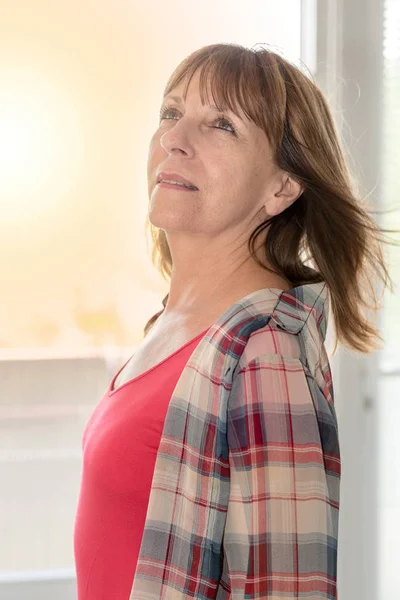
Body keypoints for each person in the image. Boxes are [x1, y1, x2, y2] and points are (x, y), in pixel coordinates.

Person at [74, 43, 397, 599]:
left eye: (221, 124)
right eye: (171, 113)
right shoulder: (174, 325)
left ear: (281, 187)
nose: (174, 138)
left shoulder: (267, 350)